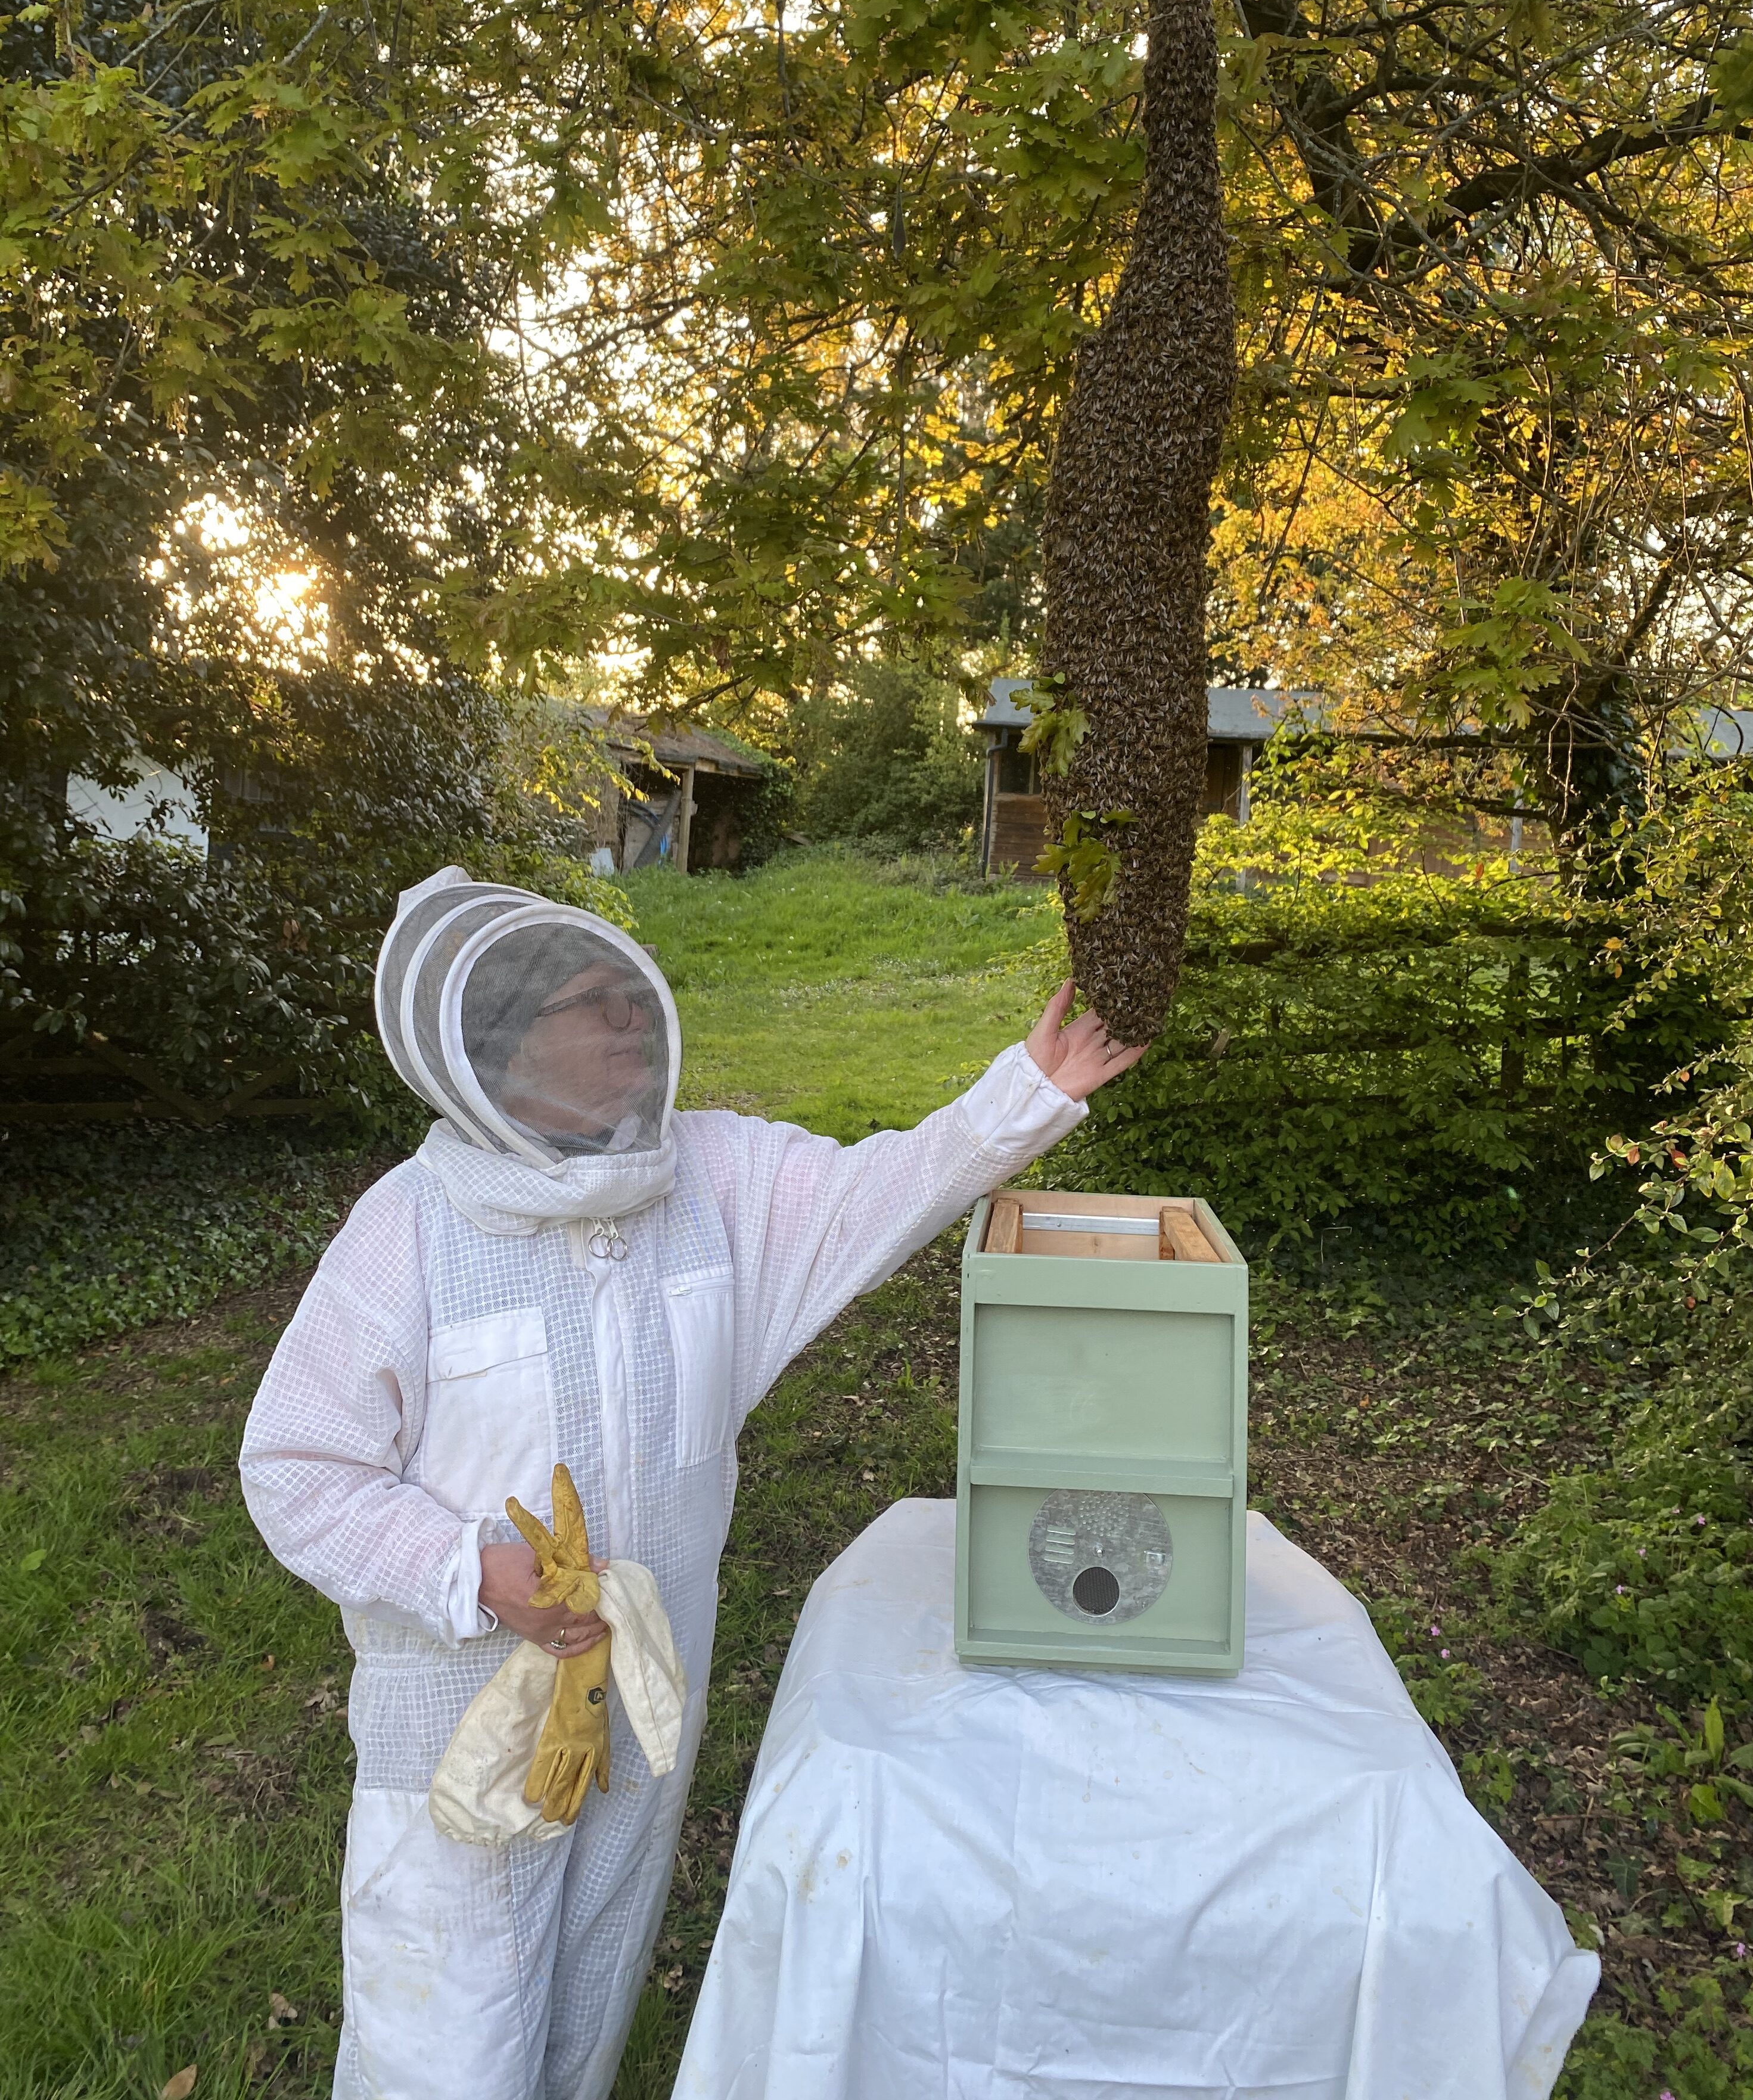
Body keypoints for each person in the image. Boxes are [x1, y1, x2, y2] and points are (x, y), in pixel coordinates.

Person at [239, 867, 1145, 2100]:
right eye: (586, 1004)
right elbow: (300, 1466)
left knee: (596, 1970)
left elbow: (876, 1195)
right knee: (447, 2020)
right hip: (458, 1714)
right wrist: (468, 1575)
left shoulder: (712, 1179)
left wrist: (1025, 1096)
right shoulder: (410, 1229)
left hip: (646, 1692)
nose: (628, 1023)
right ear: (497, 1052)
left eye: (633, 997)